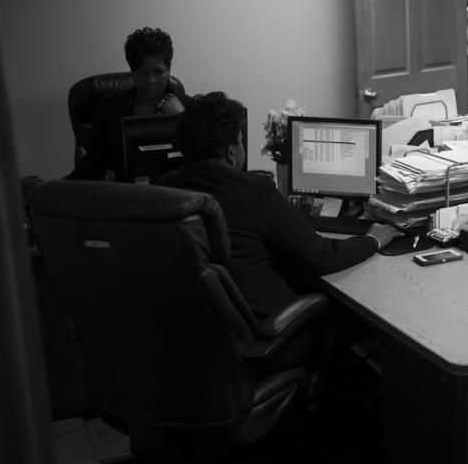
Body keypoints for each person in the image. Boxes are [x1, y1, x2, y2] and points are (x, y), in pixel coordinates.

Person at [156, 91, 402, 320]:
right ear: (232, 153)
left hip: (205, 325)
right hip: (268, 322)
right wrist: (373, 240)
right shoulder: (254, 190)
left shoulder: (163, 189)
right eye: (241, 141)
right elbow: (322, 257)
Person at [68, 27, 187, 181]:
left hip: (177, 194)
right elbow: (93, 162)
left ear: (169, 70)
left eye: (159, 72)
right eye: (142, 73)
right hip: (127, 193)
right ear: (132, 72)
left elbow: (201, 162)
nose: (150, 80)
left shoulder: (189, 107)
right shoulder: (110, 107)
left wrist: (181, 119)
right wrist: (57, 188)